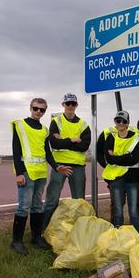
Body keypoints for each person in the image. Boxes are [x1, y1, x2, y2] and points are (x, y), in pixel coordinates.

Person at [11, 98, 72, 255]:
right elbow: (16, 151)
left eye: (42, 110)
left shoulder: (44, 130)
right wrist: (18, 173)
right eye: (36, 108)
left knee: (37, 205)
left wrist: (56, 167)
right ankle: (16, 241)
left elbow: (48, 152)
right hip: (26, 172)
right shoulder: (20, 125)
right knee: (24, 206)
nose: (38, 112)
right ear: (30, 107)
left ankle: (36, 237)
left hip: (40, 173)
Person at [43, 93, 91, 230]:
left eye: (73, 104)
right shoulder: (56, 121)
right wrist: (72, 140)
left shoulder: (83, 125)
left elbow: (84, 146)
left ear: (76, 106)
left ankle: (79, 231)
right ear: (63, 105)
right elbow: (54, 143)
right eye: (68, 103)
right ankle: (45, 230)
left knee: (79, 201)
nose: (70, 106)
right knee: (52, 200)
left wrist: (63, 140)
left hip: (78, 167)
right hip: (60, 166)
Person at [97, 110, 139, 232]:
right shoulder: (110, 137)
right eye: (118, 121)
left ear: (128, 123)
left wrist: (116, 158)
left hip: (132, 179)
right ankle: (116, 234)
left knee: (133, 210)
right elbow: (109, 159)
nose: (121, 123)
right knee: (118, 209)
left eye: (124, 121)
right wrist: (126, 156)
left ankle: (138, 233)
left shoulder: (135, 137)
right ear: (115, 122)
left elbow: (134, 159)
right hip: (116, 179)